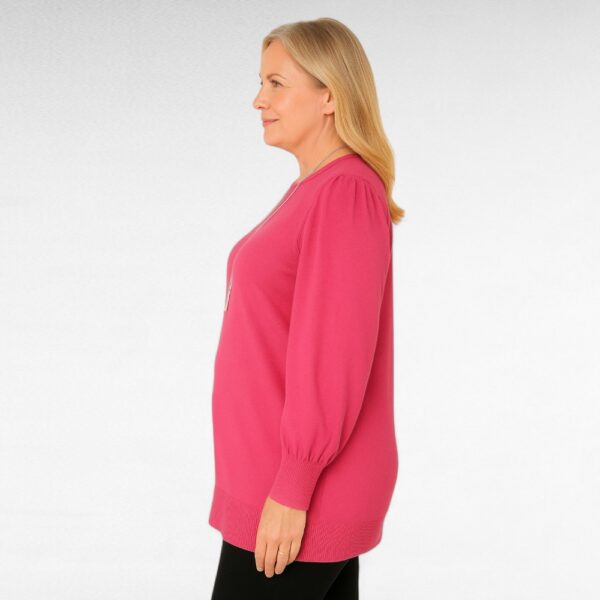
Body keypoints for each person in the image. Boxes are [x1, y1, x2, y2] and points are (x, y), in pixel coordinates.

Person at [209, 17, 405, 599]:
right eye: (260, 83)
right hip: (277, 486)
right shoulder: (315, 189)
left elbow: (333, 354)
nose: (258, 100)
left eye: (276, 83)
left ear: (329, 96)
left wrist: (293, 486)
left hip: (299, 494)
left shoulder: (344, 192)